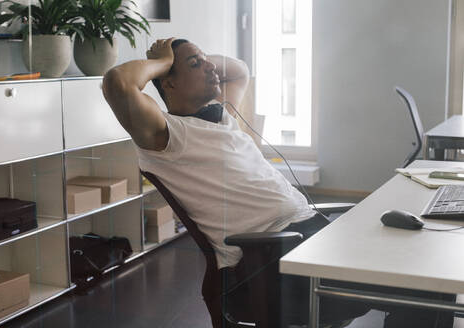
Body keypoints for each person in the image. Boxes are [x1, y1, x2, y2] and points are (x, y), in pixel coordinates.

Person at [102, 37, 454, 327]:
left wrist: (195, 58)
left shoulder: (222, 115)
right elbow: (117, 84)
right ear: (168, 82)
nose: (211, 67)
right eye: (196, 65)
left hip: (312, 235)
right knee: (420, 283)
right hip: (272, 261)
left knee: (429, 274)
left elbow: (238, 70)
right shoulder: (166, 135)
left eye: (207, 60)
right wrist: (163, 59)